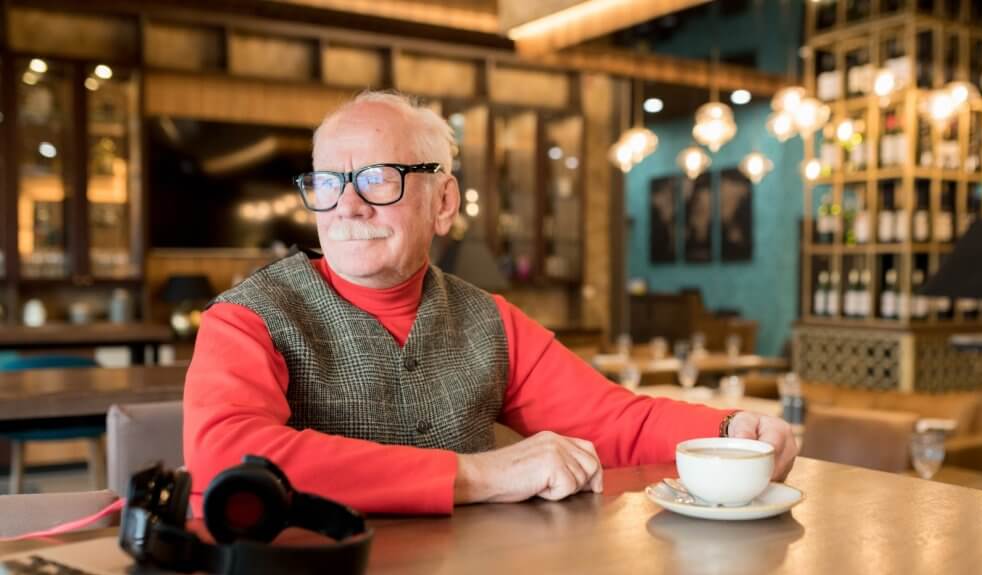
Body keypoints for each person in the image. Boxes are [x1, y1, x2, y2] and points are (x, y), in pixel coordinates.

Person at [183, 90, 797, 515]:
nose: (347, 206)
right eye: (327, 183)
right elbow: (226, 456)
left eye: (377, 178)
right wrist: (477, 474)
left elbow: (612, 423)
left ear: (444, 202)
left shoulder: (489, 319)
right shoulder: (248, 318)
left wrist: (729, 431)